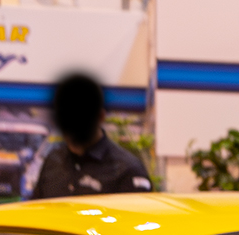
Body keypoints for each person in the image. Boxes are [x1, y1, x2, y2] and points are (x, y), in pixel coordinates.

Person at [29, 73, 152, 201]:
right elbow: (35, 211)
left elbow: (138, 218)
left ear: (100, 116)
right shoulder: (53, 160)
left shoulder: (128, 170)